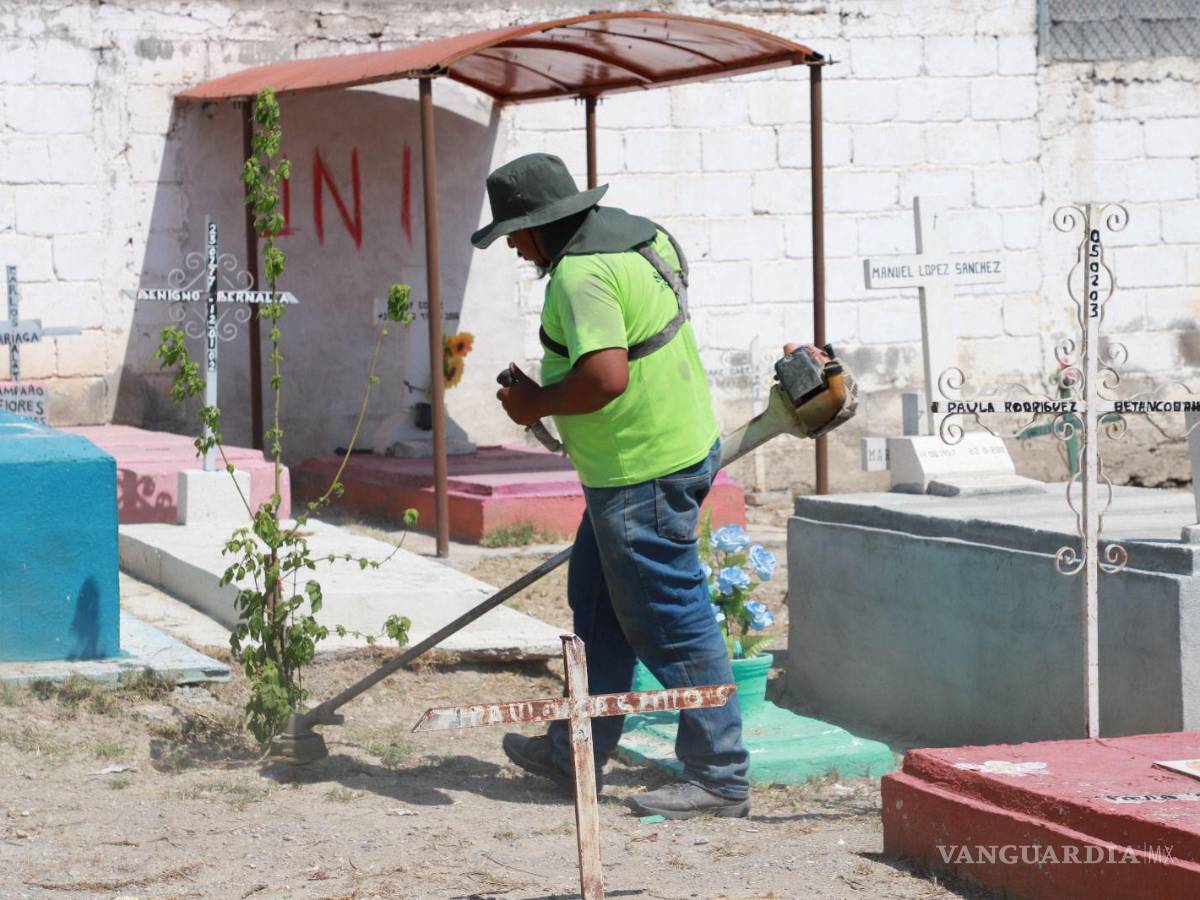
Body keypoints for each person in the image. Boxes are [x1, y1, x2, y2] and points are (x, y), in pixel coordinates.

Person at [470, 153, 750, 819]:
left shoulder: (581, 274)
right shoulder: (639, 237)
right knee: (596, 605)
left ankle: (719, 777)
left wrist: (534, 405)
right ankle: (577, 749)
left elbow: (605, 378)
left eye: (514, 231)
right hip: (663, 451)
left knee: (669, 619)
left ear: (542, 225)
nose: (512, 246)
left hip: (640, 472)